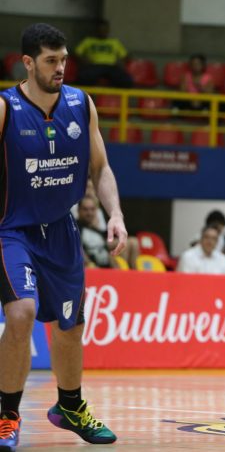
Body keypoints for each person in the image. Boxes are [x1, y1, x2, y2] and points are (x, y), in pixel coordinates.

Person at [0, 23, 128, 450]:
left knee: (70, 325)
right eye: (51, 60)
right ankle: (6, 416)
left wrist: (115, 214)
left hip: (61, 230)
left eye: (64, 60)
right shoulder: (5, 108)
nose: (60, 68)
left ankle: (70, 407)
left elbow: (101, 168)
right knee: (22, 313)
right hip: (12, 230)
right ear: (28, 63)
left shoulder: (80, 103)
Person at [75, 19, 132, 88]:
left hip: (110, 66)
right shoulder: (88, 41)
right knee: (83, 77)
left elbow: (125, 56)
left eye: (105, 29)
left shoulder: (114, 42)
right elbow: (77, 53)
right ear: (97, 30)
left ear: (108, 30)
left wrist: (121, 62)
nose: (103, 31)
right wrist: (83, 60)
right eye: (101, 29)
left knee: (126, 80)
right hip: (94, 65)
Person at [76, 196, 117, 269]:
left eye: (92, 209)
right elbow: (79, 250)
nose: (89, 213)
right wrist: (90, 265)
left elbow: (106, 250)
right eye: (85, 209)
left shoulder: (98, 231)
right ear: (78, 210)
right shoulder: (75, 229)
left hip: (107, 269)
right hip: (91, 270)